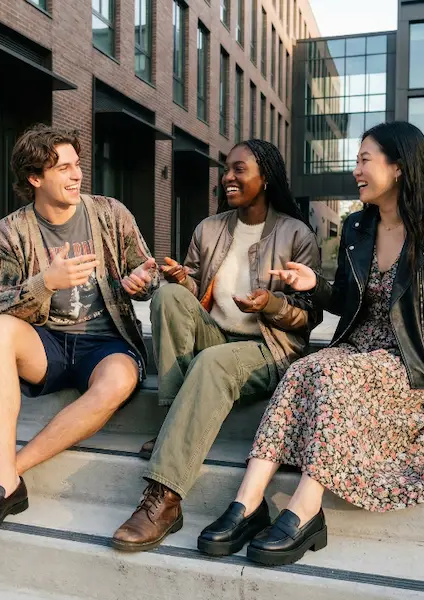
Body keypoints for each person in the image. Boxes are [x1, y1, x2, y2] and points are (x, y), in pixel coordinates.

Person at [200, 121, 424, 566]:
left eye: (365, 160)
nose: (356, 170)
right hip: (357, 347)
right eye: (357, 160)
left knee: (330, 370)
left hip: (407, 362)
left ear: (398, 167)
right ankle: (246, 504)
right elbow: (347, 300)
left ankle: (305, 511)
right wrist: (314, 283)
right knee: (305, 367)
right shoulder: (358, 226)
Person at [0, 124, 158, 533]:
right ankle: (7, 481)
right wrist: (45, 283)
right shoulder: (10, 231)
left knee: (116, 383)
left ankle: (2, 477)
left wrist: (143, 281)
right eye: (63, 168)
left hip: (107, 344)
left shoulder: (111, 213)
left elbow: (147, 274)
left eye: (77, 165)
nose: (77, 175)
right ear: (35, 178)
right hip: (47, 345)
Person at [110, 139, 322, 552]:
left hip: (268, 346)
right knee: (169, 298)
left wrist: (273, 304)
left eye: (239, 169)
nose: (228, 176)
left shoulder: (297, 233)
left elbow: (308, 316)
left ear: (266, 176)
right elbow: (197, 290)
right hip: (216, 335)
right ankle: (175, 419)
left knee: (213, 362)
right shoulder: (209, 229)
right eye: (226, 169)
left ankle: (165, 499)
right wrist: (178, 279)